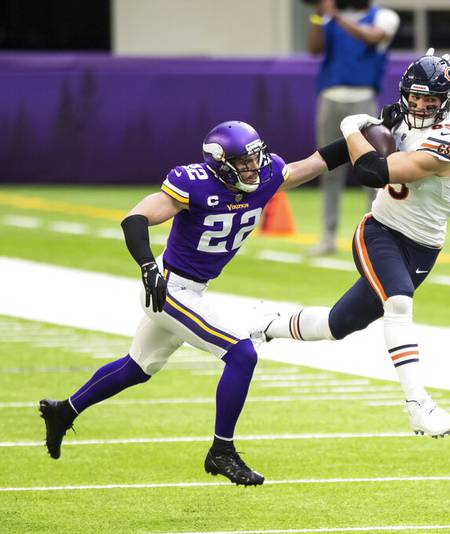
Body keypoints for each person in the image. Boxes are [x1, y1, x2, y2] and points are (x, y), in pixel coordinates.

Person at [38, 121, 344, 485]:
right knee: (241, 353)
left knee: (139, 367)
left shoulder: (267, 173)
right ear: (220, 163)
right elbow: (134, 218)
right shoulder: (194, 183)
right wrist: (147, 264)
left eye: (255, 158)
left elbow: (314, 163)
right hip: (168, 289)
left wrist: (360, 136)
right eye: (243, 162)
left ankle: (64, 410)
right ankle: (222, 451)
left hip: (193, 290)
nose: (253, 167)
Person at [254, 50, 450, 437]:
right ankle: (418, 405)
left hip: (424, 246)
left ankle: (266, 325)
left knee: (339, 324)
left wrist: (351, 127)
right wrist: (271, 182)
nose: (420, 105)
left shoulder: (449, 140)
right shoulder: (396, 118)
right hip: (380, 232)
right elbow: (328, 159)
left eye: (430, 100)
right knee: (398, 301)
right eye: (415, 96)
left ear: (446, 101)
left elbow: (371, 171)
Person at [306, 0, 400, 256]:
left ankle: (376, 236)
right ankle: (328, 236)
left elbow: (371, 38)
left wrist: (334, 15)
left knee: (372, 167)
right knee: (328, 170)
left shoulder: (384, 16)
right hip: (330, 95)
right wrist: (318, 16)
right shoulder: (331, 17)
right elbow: (314, 49)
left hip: (362, 97)